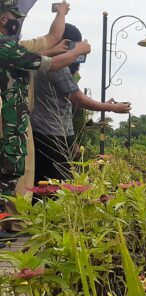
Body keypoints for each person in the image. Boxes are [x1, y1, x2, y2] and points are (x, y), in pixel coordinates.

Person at [0, 0, 90, 239]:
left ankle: (11, 223)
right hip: (7, 121)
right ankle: (6, 225)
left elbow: (49, 41)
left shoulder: (12, 48)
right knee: (9, 172)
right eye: (13, 17)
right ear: (3, 19)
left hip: (18, 120)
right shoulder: (5, 47)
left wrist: (60, 14)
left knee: (20, 172)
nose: (16, 22)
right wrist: (76, 51)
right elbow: (51, 62)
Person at [31, 23, 130, 183]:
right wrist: (111, 107)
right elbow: (77, 98)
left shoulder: (41, 60)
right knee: (56, 184)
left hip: (40, 130)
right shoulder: (56, 66)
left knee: (41, 182)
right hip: (54, 133)